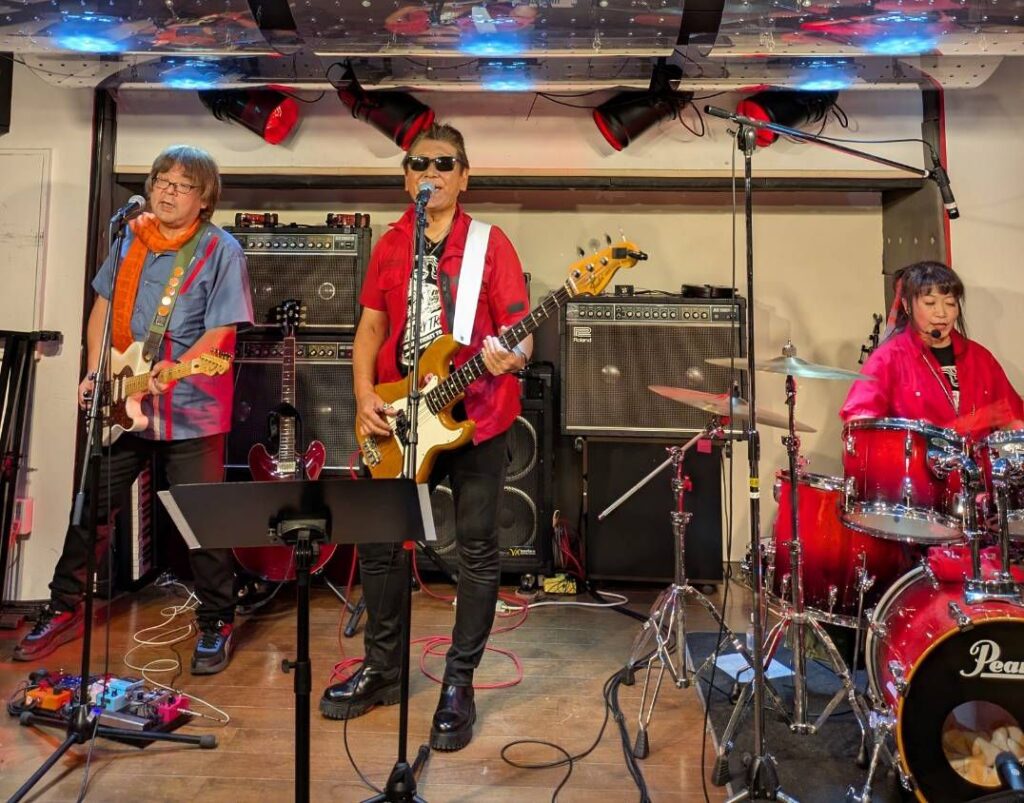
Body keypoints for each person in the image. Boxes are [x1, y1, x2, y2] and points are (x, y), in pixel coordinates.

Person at [319, 122, 532, 752]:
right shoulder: (390, 244)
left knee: (477, 548)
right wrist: (364, 396)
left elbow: (520, 329)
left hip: (476, 415)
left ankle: (458, 683)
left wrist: (511, 356)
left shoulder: (491, 244)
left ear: (464, 177)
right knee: (380, 545)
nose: (430, 174)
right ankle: (383, 671)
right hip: (398, 416)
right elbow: (369, 329)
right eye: (418, 164)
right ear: (405, 177)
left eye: (443, 164)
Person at [14, 145, 254, 675]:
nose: (168, 191)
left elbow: (221, 335)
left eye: (182, 185)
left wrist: (173, 371)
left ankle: (216, 619)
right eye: (162, 181)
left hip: (189, 407)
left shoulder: (222, 250)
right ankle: (63, 605)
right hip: (122, 401)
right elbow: (102, 308)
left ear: (205, 199)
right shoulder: (130, 239)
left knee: (202, 520)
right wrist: (96, 373)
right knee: (90, 510)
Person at [841, 260, 1023, 435]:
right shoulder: (887, 358)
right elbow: (859, 422)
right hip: (914, 457)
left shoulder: (980, 358)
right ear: (907, 305)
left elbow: (1015, 418)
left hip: (975, 457)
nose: (942, 313)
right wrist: (912, 432)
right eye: (930, 303)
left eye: (950, 303)